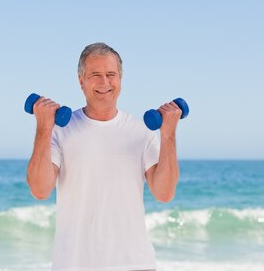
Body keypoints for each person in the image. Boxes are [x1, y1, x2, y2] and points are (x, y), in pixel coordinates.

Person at [26, 42, 181, 271]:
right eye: (95, 75)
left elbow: (164, 193)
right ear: (81, 81)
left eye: (111, 74)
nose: (104, 82)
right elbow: (40, 189)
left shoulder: (141, 132)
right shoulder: (60, 130)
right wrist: (43, 128)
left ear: (120, 80)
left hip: (134, 264)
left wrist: (168, 136)